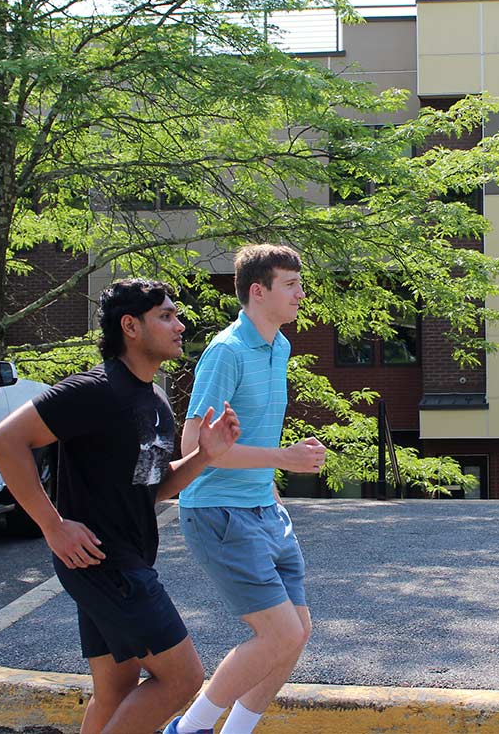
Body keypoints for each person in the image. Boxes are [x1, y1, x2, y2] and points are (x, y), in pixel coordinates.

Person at [0, 279, 241, 734]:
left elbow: (152, 488)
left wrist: (206, 455)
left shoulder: (155, 400)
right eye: (166, 316)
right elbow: (5, 441)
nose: (180, 325)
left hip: (122, 560)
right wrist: (53, 524)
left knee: (116, 689)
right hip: (106, 565)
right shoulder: (95, 389)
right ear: (131, 326)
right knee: (183, 678)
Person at [166, 244, 326, 734]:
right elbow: (195, 444)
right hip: (219, 511)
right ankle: (188, 729)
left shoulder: (280, 346)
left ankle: (236, 730)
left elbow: (248, 433)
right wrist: (284, 459)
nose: (302, 294)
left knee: (297, 633)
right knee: (277, 634)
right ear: (258, 291)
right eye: (291, 285)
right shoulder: (226, 352)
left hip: (262, 509)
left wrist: (270, 484)